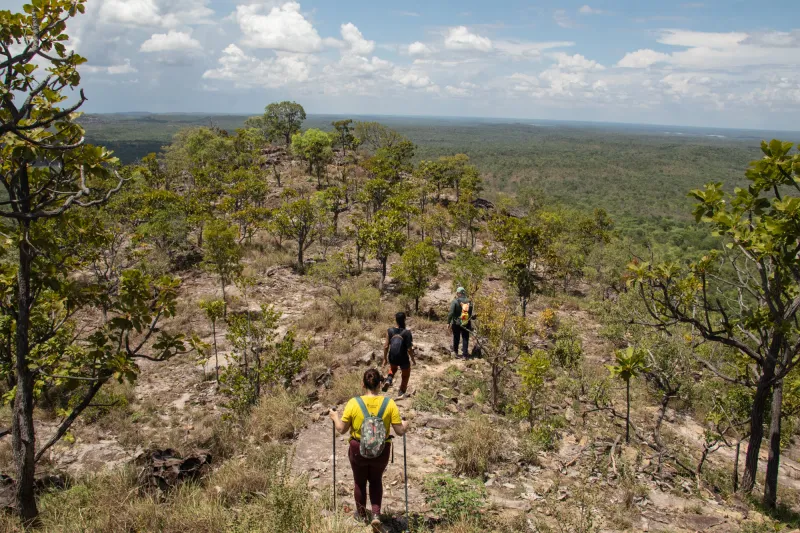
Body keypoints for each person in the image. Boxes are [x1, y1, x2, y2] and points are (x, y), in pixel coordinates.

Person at [329, 369, 409, 530]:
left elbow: (341, 429)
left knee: (359, 481)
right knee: (376, 479)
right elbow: (400, 431)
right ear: (380, 384)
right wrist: (406, 424)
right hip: (381, 450)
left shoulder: (353, 403)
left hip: (358, 448)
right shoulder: (389, 404)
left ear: (362, 384)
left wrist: (334, 416)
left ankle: (361, 514)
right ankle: (376, 514)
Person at [382, 312, 416, 399]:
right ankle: (401, 391)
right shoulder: (407, 333)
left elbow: (386, 346)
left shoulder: (390, 331)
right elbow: (409, 349)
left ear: (396, 320)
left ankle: (389, 380)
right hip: (403, 358)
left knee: (393, 369)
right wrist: (412, 359)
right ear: (404, 320)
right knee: (405, 374)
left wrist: (385, 359)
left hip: (392, 356)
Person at [447, 287, 473, 358]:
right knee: (465, 338)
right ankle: (465, 354)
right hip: (466, 322)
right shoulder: (469, 301)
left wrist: (448, 322)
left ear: (459, 293)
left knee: (456, 337)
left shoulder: (455, 301)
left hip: (456, 323)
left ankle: (456, 353)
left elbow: (451, 313)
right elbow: (470, 313)